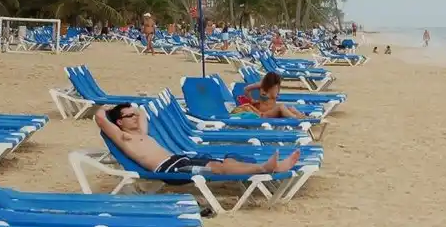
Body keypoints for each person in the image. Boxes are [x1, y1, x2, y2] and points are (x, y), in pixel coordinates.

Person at [96, 103, 300, 175]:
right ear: (119, 122)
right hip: (169, 169)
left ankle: (272, 167)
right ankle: (263, 168)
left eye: (133, 115)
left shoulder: (141, 132)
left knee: (225, 161)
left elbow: (141, 110)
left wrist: (129, 109)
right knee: (218, 169)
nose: (134, 117)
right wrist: (107, 109)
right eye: (129, 116)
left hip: (179, 159)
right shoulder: (123, 137)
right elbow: (99, 118)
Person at [240, 72, 304, 119]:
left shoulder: (276, 87)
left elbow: (275, 96)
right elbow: (246, 89)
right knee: (281, 106)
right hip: (264, 114)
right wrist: (252, 100)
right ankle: (296, 118)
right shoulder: (261, 84)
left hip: (273, 111)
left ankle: (303, 117)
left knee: (291, 108)